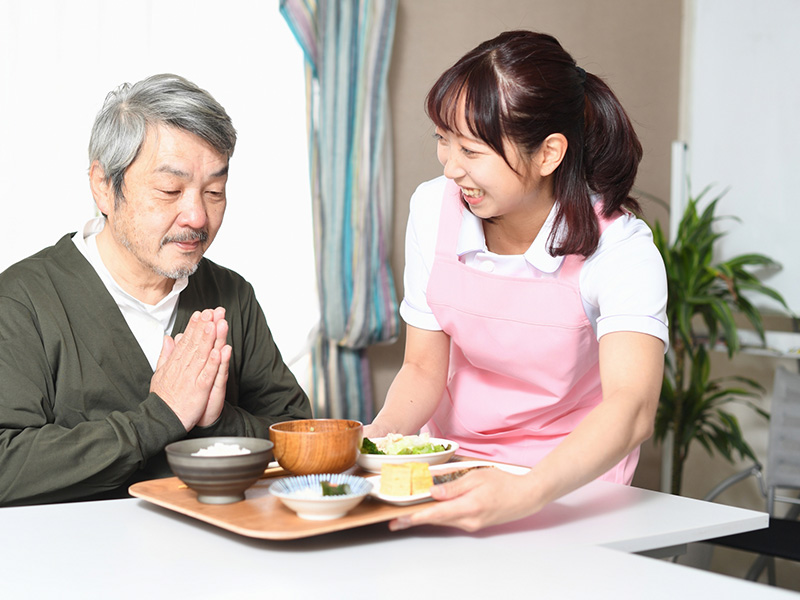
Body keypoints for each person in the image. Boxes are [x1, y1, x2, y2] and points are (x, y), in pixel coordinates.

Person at [364, 31, 668, 531]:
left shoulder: (620, 247)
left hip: (572, 485)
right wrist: (376, 443)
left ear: (548, 154)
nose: (450, 166)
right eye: (442, 139)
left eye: (472, 150)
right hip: (456, 469)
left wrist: (527, 491)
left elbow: (631, 408)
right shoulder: (432, 209)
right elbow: (422, 368)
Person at [0, 74, 311, 506]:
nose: (198, 217)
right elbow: (6, 465)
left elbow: (296, 436)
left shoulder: (230, 294)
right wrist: (161, 418)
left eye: (214, 191)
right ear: (104, 187)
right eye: (170, 190)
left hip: (222, 551)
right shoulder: (22, 301)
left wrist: (215, 421)